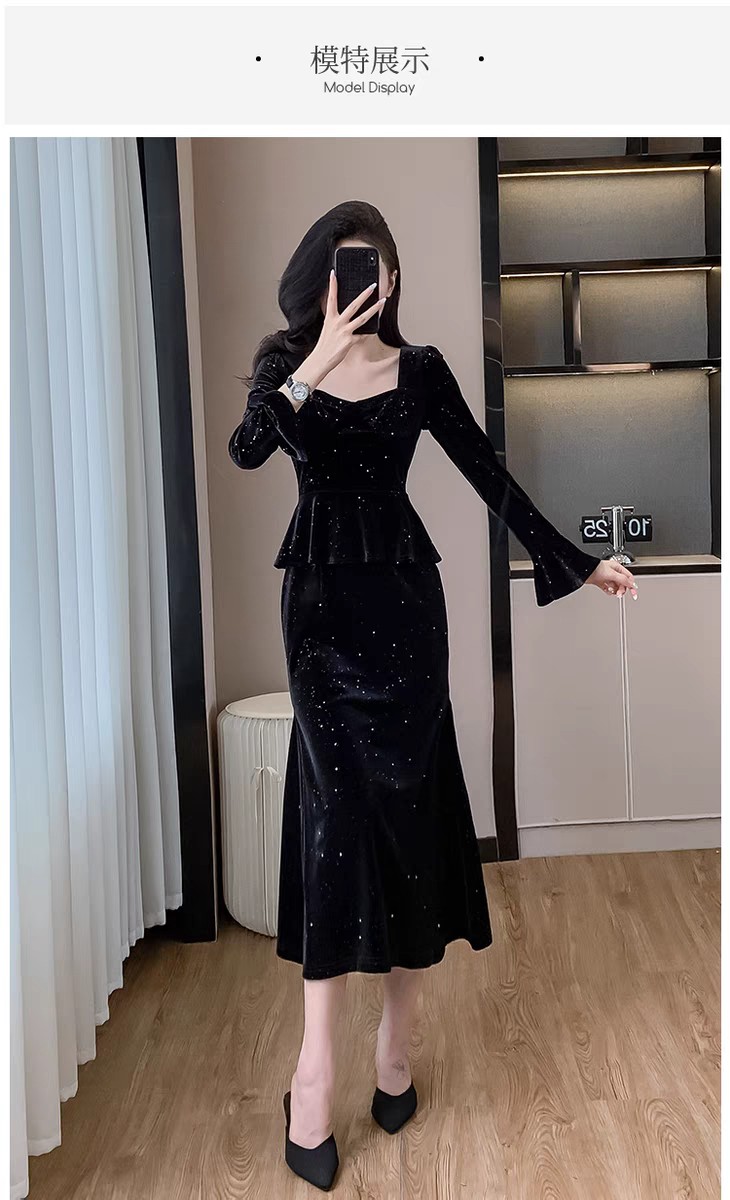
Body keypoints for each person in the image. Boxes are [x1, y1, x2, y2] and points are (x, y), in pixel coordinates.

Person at [228, 200, 638, 1190]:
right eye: (348, 268)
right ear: (320, 279)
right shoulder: (286, 368)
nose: (367, 283)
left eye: (378, 267)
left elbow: (491, 478)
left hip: (408, 611)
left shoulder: (422, 372)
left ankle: (394, 1046)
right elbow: (246, 450)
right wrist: (319, 358)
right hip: (320, 616)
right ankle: (313, 1072)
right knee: (335, 824)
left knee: (412, 816)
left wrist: (576, 561)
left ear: (393, 278)